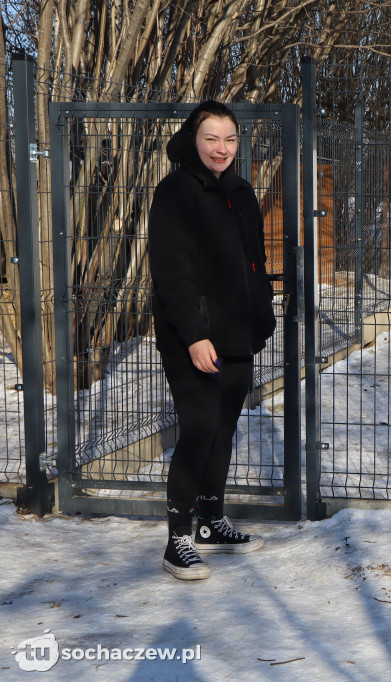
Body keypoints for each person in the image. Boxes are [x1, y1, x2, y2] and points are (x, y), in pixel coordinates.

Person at [149, 101, 277, 580]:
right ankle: (177, 539)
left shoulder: (241, 192)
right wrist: (195, 336)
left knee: (223, 428)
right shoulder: (176, 191)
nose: (221, 149)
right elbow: (172, 274)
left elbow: (254, 261)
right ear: (193, 139)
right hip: (194, 339)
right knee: (199, 428)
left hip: (238, 334)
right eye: (211, 139)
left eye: (229, 139)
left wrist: (261, 313)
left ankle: (210, 522)